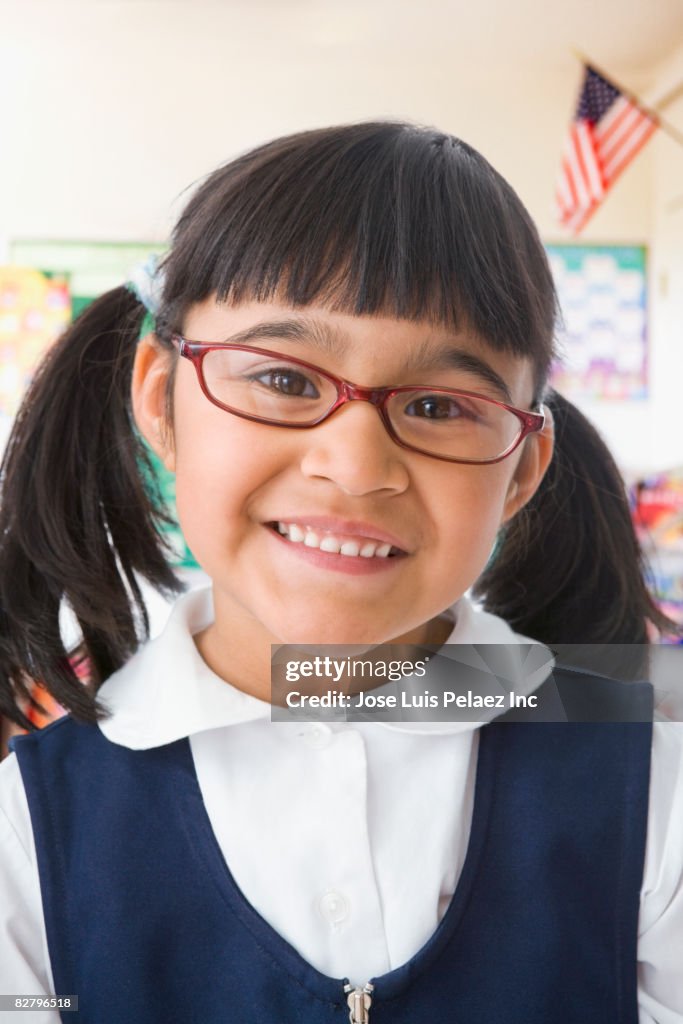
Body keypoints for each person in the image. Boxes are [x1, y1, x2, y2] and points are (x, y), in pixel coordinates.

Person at [0, 121, 680, 1023]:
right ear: (161, 399)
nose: (356, 466)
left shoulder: (653, 789)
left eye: (439, 405)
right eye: (284, 380)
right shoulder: (29, 827)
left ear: (521, 469)